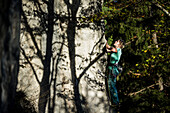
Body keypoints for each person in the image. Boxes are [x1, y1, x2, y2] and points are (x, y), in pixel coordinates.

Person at [105, 39, 124, 107]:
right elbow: (108, 50)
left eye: (117, 41)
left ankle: (116, 103)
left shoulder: (118, 50)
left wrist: (105, 42)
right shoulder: (115, 50)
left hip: (113, 69)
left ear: (119, 45)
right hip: (111, 68)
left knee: (112, 85)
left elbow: (109, 47)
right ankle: (115, 102)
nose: (115, 42)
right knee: (111, 85)